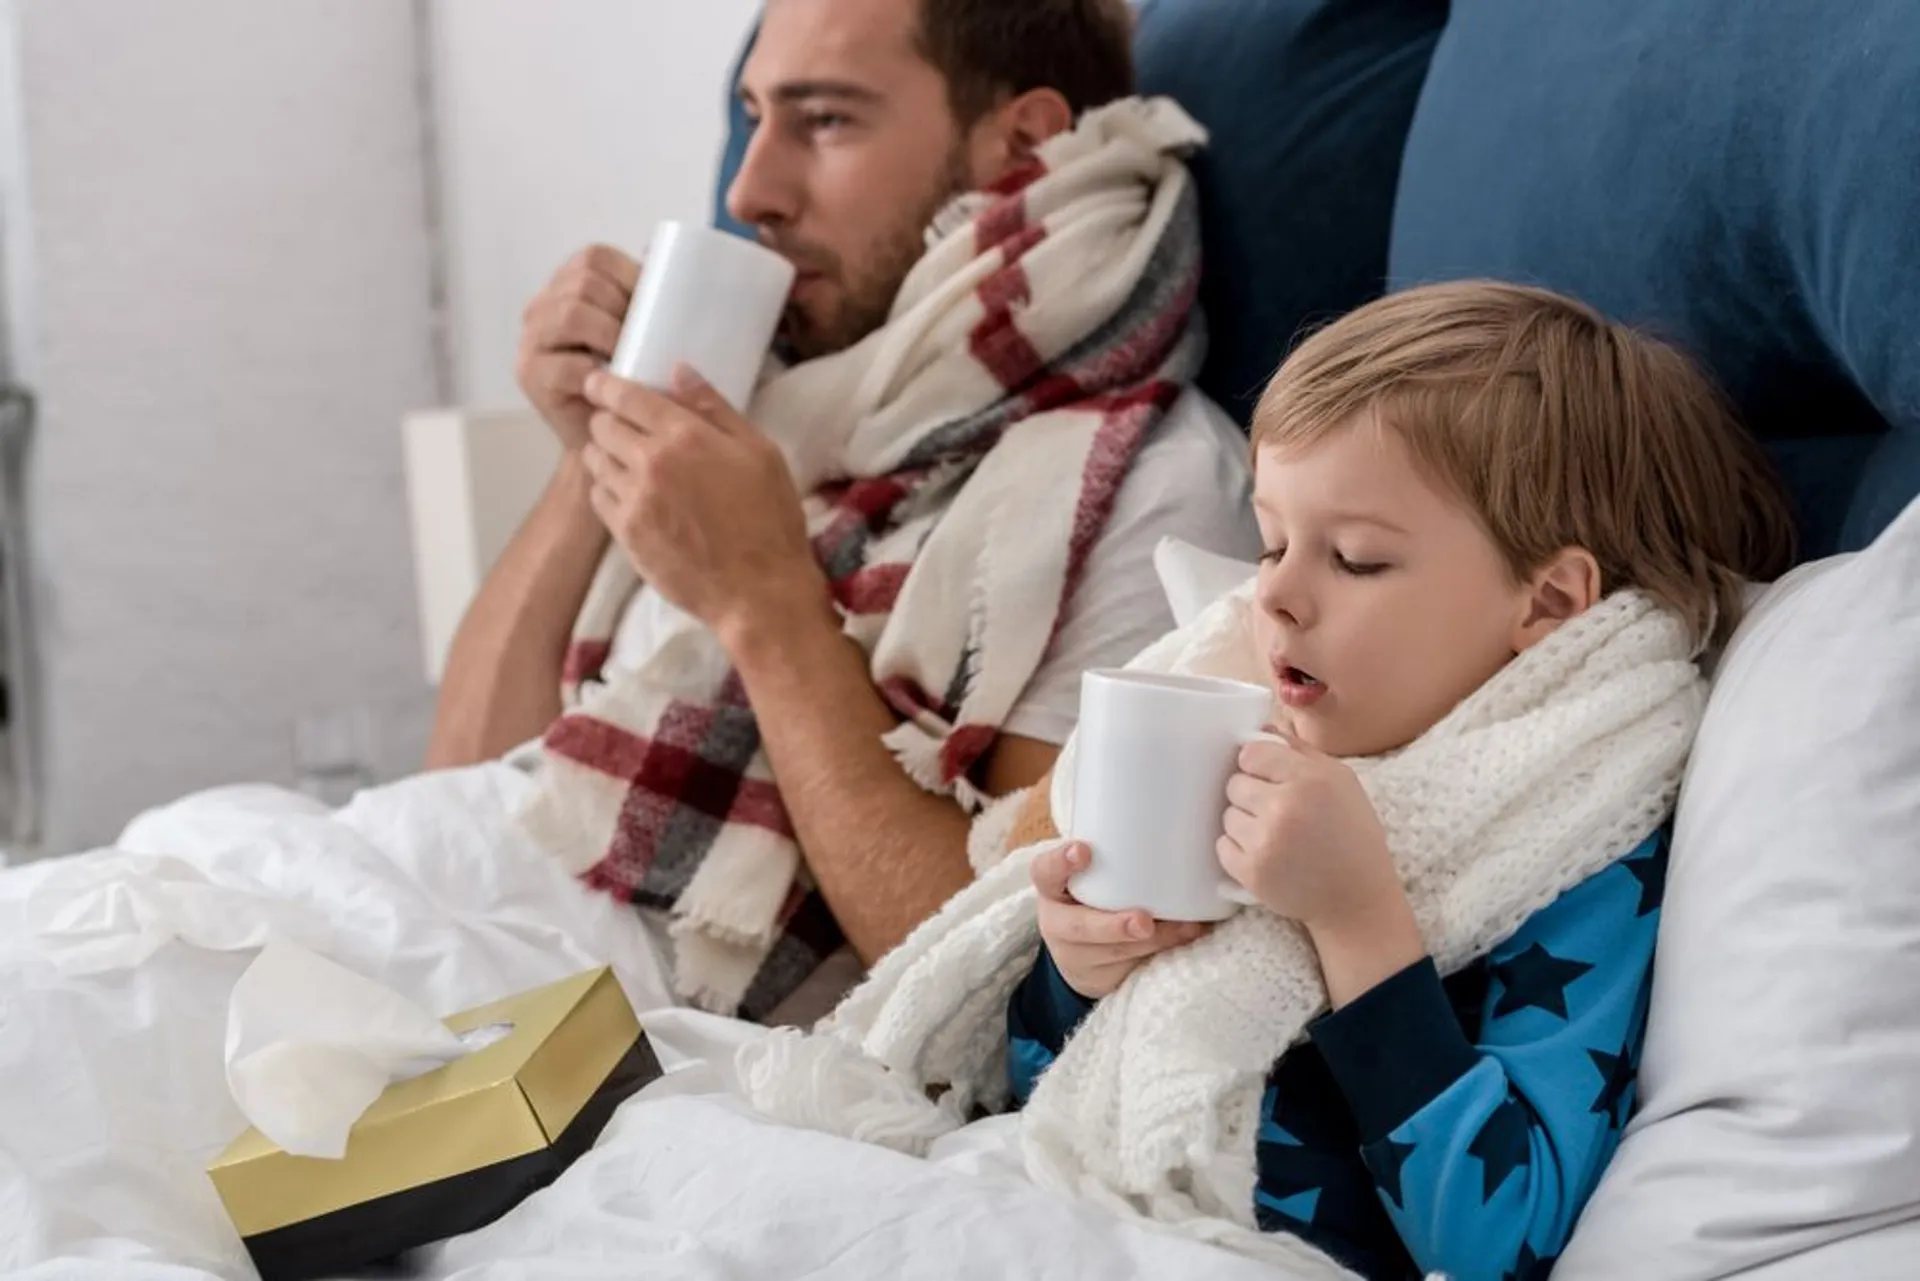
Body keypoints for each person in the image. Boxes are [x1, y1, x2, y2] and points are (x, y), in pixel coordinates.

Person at [425, 0, 1259, 1021]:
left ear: (1025, 140)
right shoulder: (766, 404)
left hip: (616, 1031)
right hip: (452, 943)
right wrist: (592, 448)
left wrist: (766, 605)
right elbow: (460, 784)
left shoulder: (1146, 489)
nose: (749, 190)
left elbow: (1001, 980)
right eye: (753, 115)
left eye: (824, 122)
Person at [1004, 282, 1798, 1278]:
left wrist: (1357, 916)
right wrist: (1076, 977)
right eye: (1272, 542)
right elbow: (1037, 1101)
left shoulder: (1582, 842)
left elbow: (1500, 1241)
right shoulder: (1244, 741)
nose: (1276, 596)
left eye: (1357, 559)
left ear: (1549, 601)